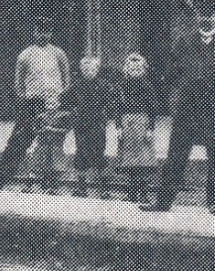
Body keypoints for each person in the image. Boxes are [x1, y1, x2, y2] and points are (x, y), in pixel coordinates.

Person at [143, 0, 215, 215]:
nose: (206, 18)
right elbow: (171, 75)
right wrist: (173, 94)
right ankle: (163, 202)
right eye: (202, 14)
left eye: (211, 14)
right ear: (196, 15)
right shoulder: (183, 42)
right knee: (176, 154)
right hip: (188, 108)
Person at [0, 19, 70, 189]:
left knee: (51, 142)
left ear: (51, 33)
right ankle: (0, 179)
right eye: (39, 31)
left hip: (54, 103)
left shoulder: (59, 54)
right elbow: (18, 83)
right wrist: (24, 102)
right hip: (32, 103)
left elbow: (66, 80)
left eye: (47, 31)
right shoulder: (25, 55)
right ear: (33, 32)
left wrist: (61, 102)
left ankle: (49, 183)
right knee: (19, 140)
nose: (43, 35)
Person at [58, 55, 116, 198]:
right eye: (84, 68)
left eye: (91, 68)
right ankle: (81, 187)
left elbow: (112, 101)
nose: (88, 71)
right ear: (81, 69)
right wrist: (73, 111)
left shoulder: (104, 85)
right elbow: (64, 98)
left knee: (99, 153)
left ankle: (104, 189)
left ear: (97, 69)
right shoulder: (77, 85)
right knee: (81, 154)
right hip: (81, 125)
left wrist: (106, 113)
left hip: (97, 124)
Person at [110, 52, 162, 206]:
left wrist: (150, 128)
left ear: (143, 70)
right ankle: (131, 192)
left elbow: (153, 109)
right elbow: (117, 107)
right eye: (131, 69)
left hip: (142, 123)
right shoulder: (121, 86)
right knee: (129, 160)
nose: (134, 72)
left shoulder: (147, 87)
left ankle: (144, 193)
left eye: (138, 69)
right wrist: (118, 126)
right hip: (127, 124)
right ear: (126, 69)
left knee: (143, 160)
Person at [29, 95, 70, 194]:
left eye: (53, 103)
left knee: (55, 164)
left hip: (56, 144)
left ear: (58, 104)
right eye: (48, 104)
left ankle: (54, 187)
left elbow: (66, 129)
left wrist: (53, 130)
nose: (50, 106)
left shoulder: (62, 116)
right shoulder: (41, 116)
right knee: (41, 162)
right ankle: (36, 185)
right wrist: (42, 130)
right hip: (43, 143)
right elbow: (35, 129)